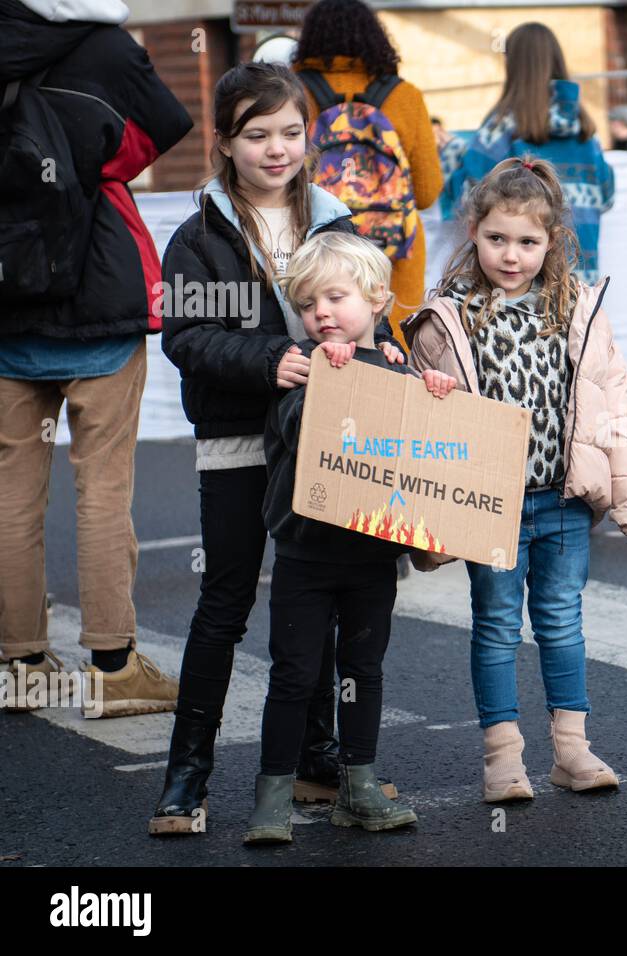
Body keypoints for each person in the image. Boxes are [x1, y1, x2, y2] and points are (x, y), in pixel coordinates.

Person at [150, 62, 406, 836]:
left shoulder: (335, 222)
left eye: (291, 132)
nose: (276, 149)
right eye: (256, 134)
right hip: (237, 440)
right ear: (225, 141)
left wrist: (393, 357)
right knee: (225, 602)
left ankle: (319, 765)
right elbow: (187, 338)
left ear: (309, 136)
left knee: (323, 601)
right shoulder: (198, 235)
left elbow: (368, 309)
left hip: (330, 441)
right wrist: (271, 362)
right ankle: (186, 779)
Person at [403, 156, 627, 802]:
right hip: (489, 506)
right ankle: (502, 759)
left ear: (553, 242)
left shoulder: (577, 308)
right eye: (496, 240)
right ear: (474, 233)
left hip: (563, 501)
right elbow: (419, 417)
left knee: (562, 622)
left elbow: (617, 398)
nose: (510, 256)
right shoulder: (449, 315)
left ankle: (571, 752)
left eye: (527, 242)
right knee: (493, 625)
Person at [0, 0, 191, 715]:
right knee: (103, 490)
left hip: (9, 302)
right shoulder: (107, 48)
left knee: (12, 495)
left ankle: (20, 666)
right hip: (97, 294)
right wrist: (87, 162)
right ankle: (113, 668)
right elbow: (160, 130)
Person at [245, 232, 443, 843]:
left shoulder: (395, 365)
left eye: (335, 298)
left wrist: (434, 391)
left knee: (364, 668)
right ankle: (272, 799)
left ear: (378, 299)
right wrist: (331, 380)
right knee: (295, 674)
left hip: (370, 555)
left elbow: (420, 442)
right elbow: (305, 432)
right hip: (305, 552)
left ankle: (359, 787)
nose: (321, 314)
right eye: (308, 305)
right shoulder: (299, 368)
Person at [292, 0, 441, 332]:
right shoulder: (405, 97)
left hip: (314, 247)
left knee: (318, 351)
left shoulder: (292, 92)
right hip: (391, 255)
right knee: (393, 348)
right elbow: (428, 193)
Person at [439, 23, 615, 285]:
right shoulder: (587, 133)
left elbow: (470, 198)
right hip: (579, 280)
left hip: (521, 284)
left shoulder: (502, 128)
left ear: (513, 65)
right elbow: (606, 197)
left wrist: (453, 151)